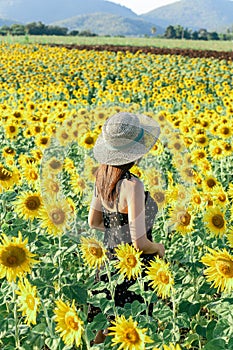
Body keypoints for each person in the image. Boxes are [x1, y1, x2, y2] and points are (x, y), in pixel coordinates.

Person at [88, 112, 165, 344]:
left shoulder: (102, 178)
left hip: (108, 266)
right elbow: (139, 242)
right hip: (133, 269)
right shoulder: (133, 185)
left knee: (103, 331)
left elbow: (94, 222)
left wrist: (114, 236)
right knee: (132, 333)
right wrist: (158, 248)